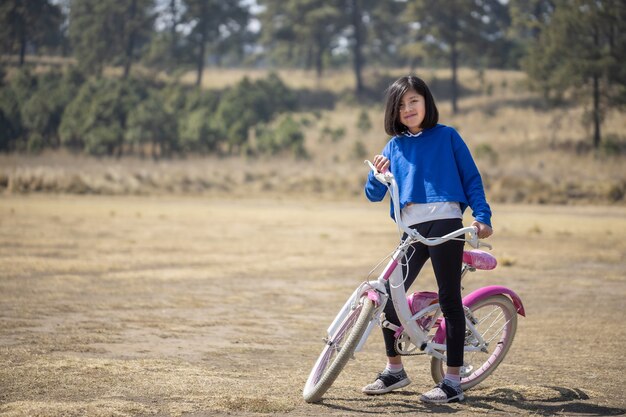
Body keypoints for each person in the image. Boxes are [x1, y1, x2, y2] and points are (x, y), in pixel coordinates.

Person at [362, 75, 493, 404]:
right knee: (391, 294)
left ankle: (452, 382)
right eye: (401, 105)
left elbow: (471, 178)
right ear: (393, 111)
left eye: (414, 101)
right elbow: (373, 193)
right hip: (411, 229)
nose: (408, 109)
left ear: (426, 103)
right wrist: (377, 174)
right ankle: (395, 370)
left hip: (446, 223)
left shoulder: (447, 136)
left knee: (449, 298)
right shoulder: (394, 146)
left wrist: (482, 216)